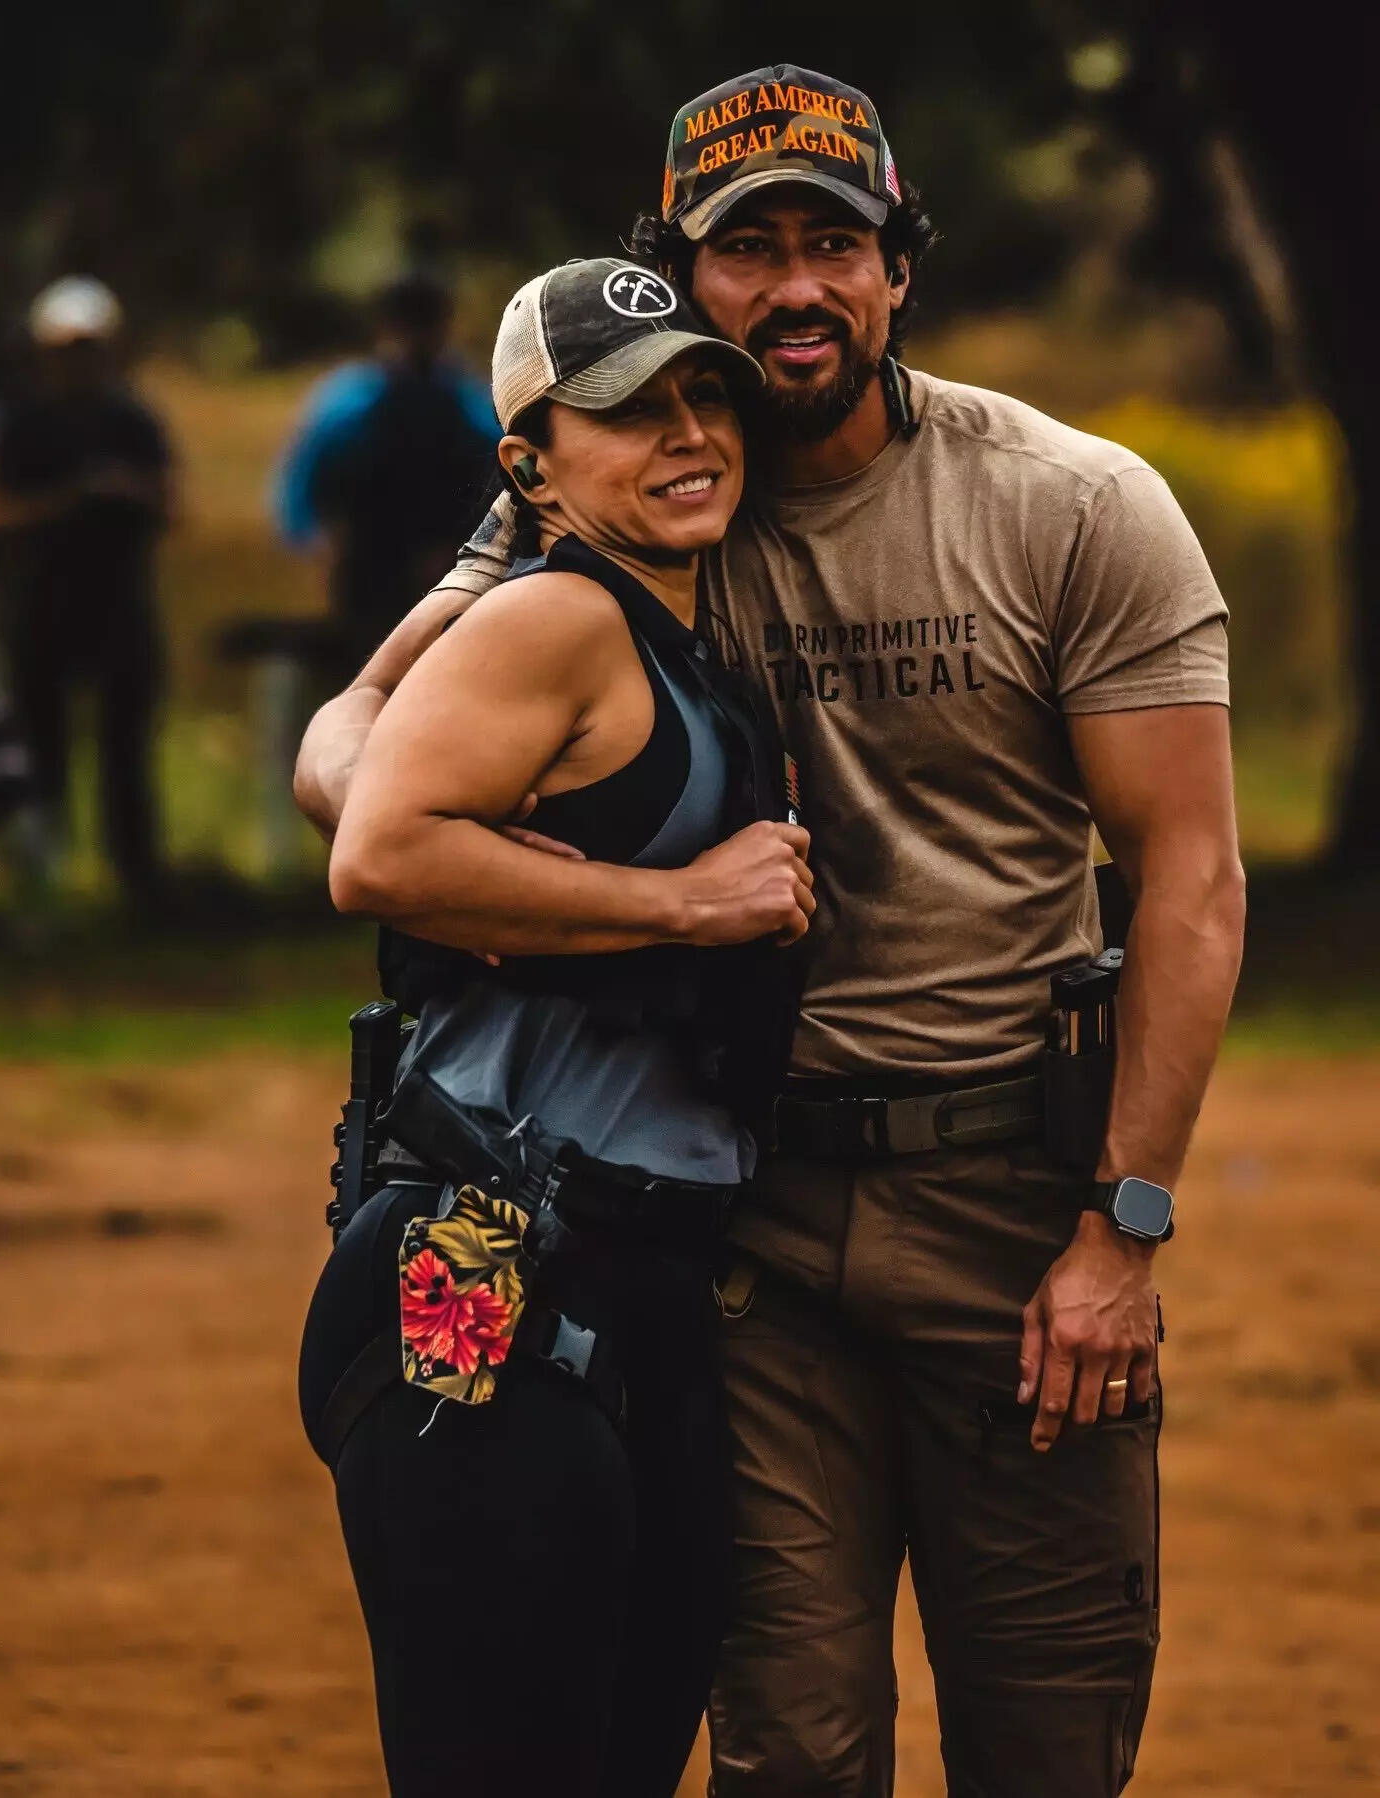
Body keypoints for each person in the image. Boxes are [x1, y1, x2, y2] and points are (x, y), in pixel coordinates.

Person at [296, 65, 1248, 1797]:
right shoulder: (625, 495)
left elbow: (1190, 874)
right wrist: (481, 856)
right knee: (787, 1751)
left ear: (899, 270)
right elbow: (350, 745)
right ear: (681, 280)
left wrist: (1124, 1226)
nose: (798, 286)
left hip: (1010, 1207)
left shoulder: (1071, 504)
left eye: (837, 244)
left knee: (1049, 1738)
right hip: (752, 1225)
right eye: (748, 251)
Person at [297, 257, 814, 1798]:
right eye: (630, 411)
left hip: (645, 1276)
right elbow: (379, 852)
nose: (687, 433)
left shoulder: (668, 633)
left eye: (706, 393)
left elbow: (355, 742)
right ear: (531, 467)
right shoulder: (558, 619)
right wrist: (690, 903)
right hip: (481, 1258)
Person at [0, 276, 173, 901]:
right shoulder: (10, 420)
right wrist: (71, 501)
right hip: (37, 605)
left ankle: (136, 880)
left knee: (125, 750)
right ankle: (40, 878)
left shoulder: (132, 419)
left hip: (117, 604)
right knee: (37, 748)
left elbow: (170, 501)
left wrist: (123, 493)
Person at [272, 270, 499, 671]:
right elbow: (303, 482)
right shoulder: (358, 399)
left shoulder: (461, 399)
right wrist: (314, 538)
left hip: (438, 559)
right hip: (374, 558)